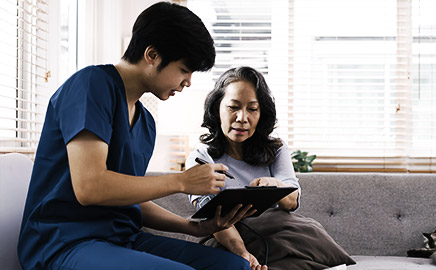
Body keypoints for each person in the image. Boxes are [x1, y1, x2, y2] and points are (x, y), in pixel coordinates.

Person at [17, 2, 254, 270]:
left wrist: (195, 227)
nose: (187, 82)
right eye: (184, 70)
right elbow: (90, 187)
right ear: (152, 54)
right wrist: (181, 181)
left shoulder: (146, 123)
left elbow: (130, 199)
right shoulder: (91, 86)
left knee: (234, 266)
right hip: (63, 242)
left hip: (121, 239)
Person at [186, 67, 356, 270]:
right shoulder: (201, 156)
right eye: (233, 107)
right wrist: (242, 253)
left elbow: (291, 203)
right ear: (217, 109)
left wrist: (274, 186)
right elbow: (213, 218)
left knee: (306, 234)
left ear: (261, 114)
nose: (242, 118)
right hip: (228, 238)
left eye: (252, 109)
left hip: (278, 234)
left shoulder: (276, 148)